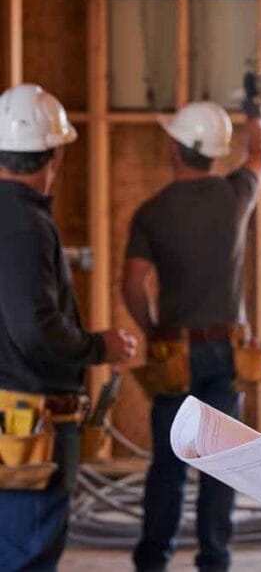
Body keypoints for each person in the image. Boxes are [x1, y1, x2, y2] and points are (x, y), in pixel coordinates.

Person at [123, 101, 261, 572]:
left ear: (176, 147)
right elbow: (259, 158)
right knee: (220, 465)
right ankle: (214, 561)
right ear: (213, 153)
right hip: (227, 351)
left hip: (176, 353)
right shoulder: (236, 194)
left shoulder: (152, 213)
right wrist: (257, 113)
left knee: (168, 466)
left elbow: (131, 285)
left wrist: (155, 333)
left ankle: (152, 561)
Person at [0, 83, 137, 570]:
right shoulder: (23, 224)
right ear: (54, 153)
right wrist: (101, 346)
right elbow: (36, 332)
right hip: (30, 427)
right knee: (27, 554)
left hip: (13, 419)